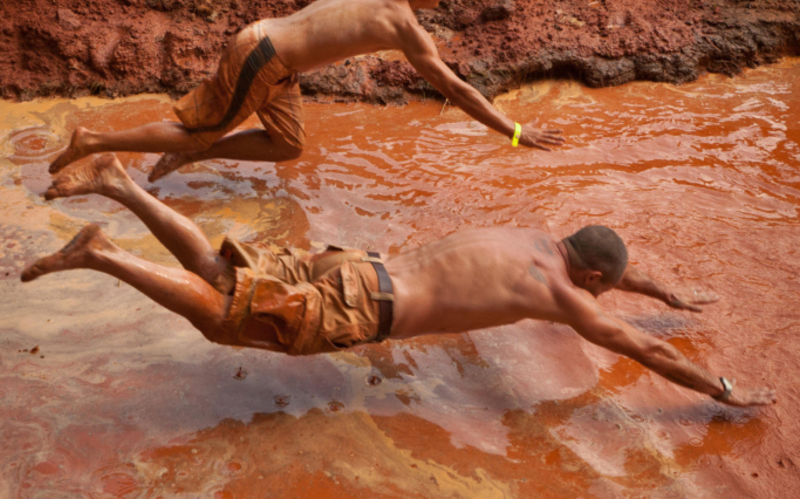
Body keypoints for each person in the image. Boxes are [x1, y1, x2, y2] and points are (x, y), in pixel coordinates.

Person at [23, 158, 777, 412]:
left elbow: (607, 265)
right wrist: (719, 385)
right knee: (225, 319)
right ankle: (104, 255)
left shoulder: (532, 235)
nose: (597, 297)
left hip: (353, 263)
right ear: (587, 280)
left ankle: (121, 186)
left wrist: (665, 294)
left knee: (225, 270)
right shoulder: (565, 295)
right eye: (600, 288)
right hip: (367, 305)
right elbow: (646, 357)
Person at [49, 0, 564, 179]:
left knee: (289, 146)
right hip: (262, 56)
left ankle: (197, 155)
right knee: (200, 132)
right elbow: (459, 91)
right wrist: (515, 132)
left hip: (274, 57)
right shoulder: (403, 26)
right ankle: (93, 142)